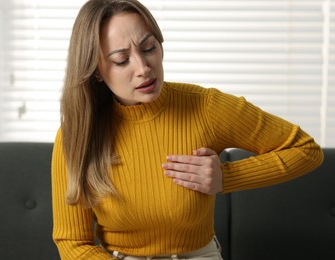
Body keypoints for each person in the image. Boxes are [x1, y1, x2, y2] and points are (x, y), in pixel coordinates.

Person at [51, 0, 324, 259]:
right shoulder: (76, 135)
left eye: (149, 48)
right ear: (96, 70)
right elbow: (73, 243)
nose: (144, 68)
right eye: (122, 60)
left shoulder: (205, 107)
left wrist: (226, 177)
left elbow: (306, 150)